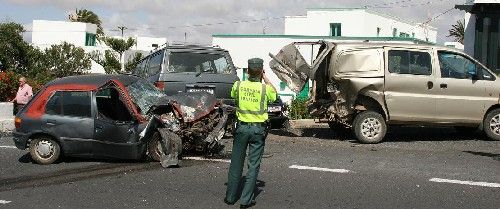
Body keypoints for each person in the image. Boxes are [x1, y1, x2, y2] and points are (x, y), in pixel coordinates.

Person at [224, 58, 277, 208]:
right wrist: (265, 77)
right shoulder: (265, 89)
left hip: (241, 128)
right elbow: (275, 94)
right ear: (261, 71)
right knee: (253, 165)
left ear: (247, 71)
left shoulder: (238, 85)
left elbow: (234, 95)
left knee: (236, 163)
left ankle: (230, 197)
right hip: (258, 130)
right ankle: (246, 200)